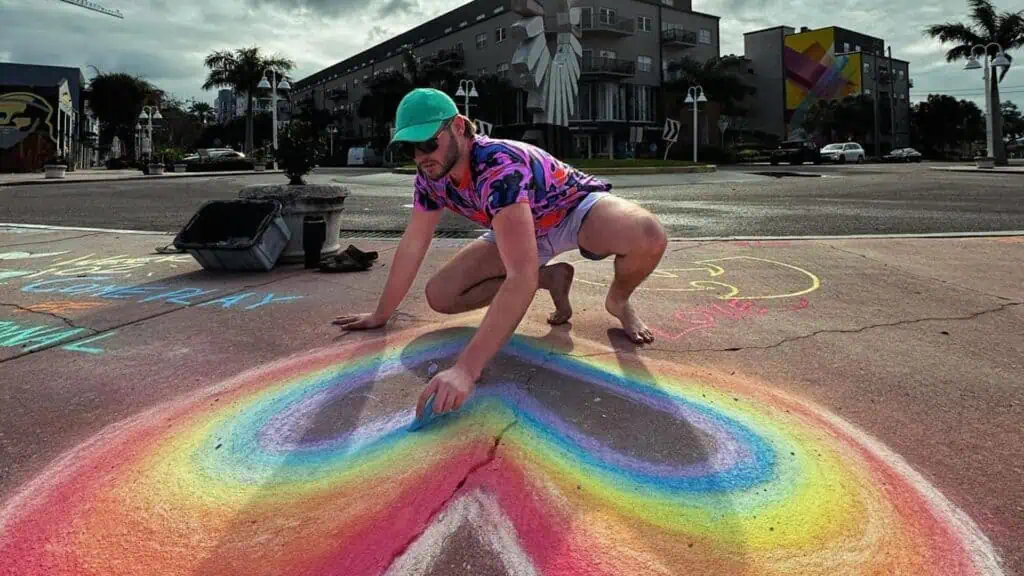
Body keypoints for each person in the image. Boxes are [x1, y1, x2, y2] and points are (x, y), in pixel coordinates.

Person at [334, 88, 667, 417]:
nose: (421, 157)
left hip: (571, 212)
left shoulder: (497, 164)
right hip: (513, 227)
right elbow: (414, 243)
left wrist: (466, 369)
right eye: (411, 148)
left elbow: (519, 275)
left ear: (460, 128)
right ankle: (550, 277)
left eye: (429, 143)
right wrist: (381, 315)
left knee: (648, 235)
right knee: (441, 295)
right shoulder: (429, 178)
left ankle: (619, 301)